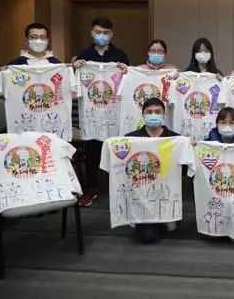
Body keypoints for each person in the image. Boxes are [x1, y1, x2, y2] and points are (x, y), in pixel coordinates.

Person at [72, 17, 130, 207]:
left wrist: (126, 71)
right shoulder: (84, 55)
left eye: (105, 33)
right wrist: (74, 68)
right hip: (92, 114)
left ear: (111, 34)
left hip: (114, 113)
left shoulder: (120, 56)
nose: (102, 36)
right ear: (92, 33)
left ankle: (120, 188)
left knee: (117, 151)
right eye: (98, 32)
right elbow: (72, 86)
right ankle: (91, 188)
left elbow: (127, 84)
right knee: (92, 151)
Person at [124, 98, 180, 244]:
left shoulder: (175, 139)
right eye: (149, 112)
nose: (153, 115)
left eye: (157, 112)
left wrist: (190, 145)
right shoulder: (130, 139)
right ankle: (141, 218)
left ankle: (167, 218)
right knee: (147, 237)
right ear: (143, 114)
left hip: (165, 193)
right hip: (141, 194)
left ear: (163, 114)